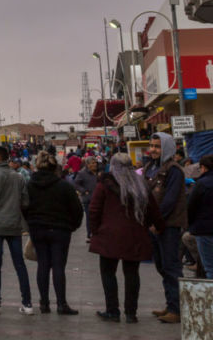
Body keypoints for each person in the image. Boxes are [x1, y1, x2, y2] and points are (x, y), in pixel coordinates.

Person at [89, 152, 163, 323]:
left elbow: (94, 210)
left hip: (109, 236)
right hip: (135, 236)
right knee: (132, 274)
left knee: (108, 273)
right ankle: (131, 313)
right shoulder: (140, 184)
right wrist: (159, 227)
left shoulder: (104, 185)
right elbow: (152, 210)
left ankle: (112, 311)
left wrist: (95, 231)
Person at [24, 150, 82, 315]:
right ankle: (61, 304)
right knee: (58, 266)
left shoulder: (30, 186)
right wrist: (73, 225)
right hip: (60, 230)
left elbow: (23, 206)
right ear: (54, 167)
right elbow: (77, 209)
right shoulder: (63, 186)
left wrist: (31, 222)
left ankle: (44, 303)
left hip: (38, 229)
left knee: (43, 265)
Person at [0, 145, 33, 315]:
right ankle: (27, 303)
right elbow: (25, 203)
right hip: (14, 226)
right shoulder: (18, 178)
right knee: (19, 264)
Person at [144, 131, 186, 324]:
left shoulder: (174, 170)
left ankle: (177, 310)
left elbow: (169, 201)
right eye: (152, 146)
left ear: (167, 148)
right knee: (162, 266)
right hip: (154, 225)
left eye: (157, 147)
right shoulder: (151, 168)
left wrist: (156, 222)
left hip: (167, 226)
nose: (153, 150)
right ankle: (170, 305)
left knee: (171, 267)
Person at [188, 154, 213, 281]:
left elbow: (191, 206)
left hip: (204, 229)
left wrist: (190, 224)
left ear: (203, 168)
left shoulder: (201, 184)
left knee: (210, 267)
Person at [72, 156, 100, 238]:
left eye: (95, 163)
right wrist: (84, 191)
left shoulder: (98, 172)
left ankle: (97, 232)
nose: (95, 165)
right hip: (88, 199)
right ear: (87, 164)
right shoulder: (82, 173)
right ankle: (90, 233)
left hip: (98, 198)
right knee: (90, 217)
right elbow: (76, 184)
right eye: (93, 163)